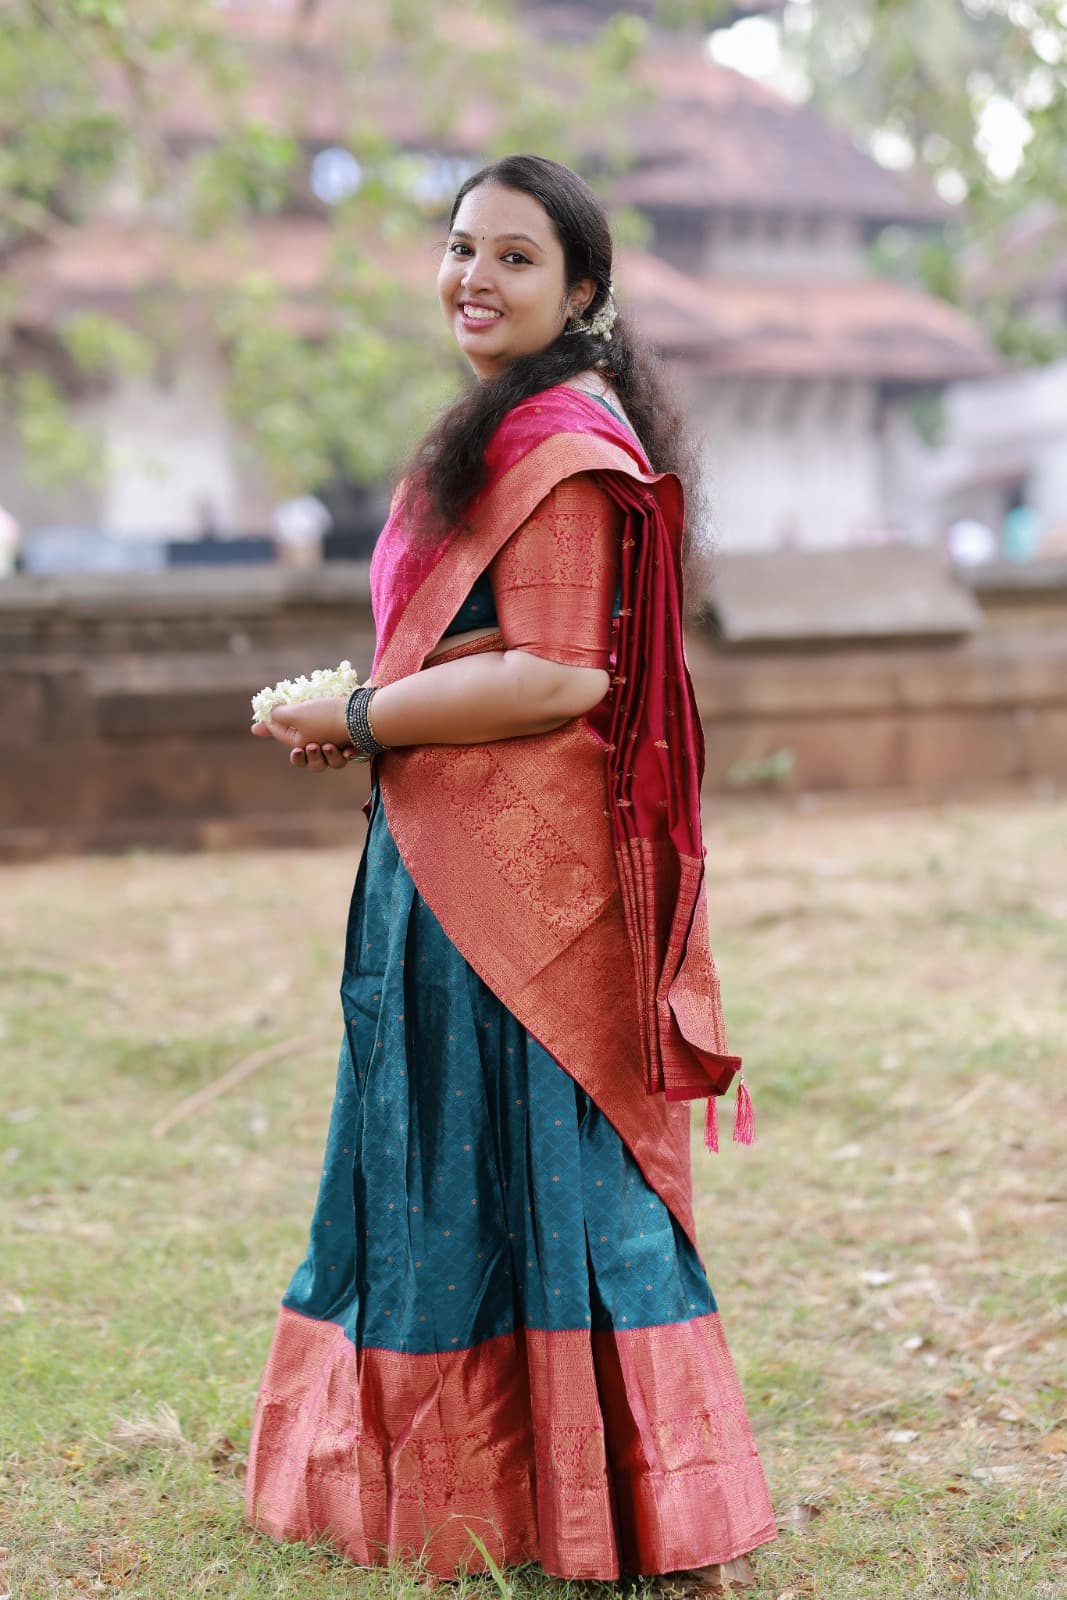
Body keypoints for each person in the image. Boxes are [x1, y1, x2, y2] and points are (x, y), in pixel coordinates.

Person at [245, 154, 776, 1588]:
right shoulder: (495, 429)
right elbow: (472, 659)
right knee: (450, 1170)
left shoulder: (566, 443)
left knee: (568, 1179)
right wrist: (372, 717)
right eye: (461, 245)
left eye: (516, 257)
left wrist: (360, 717)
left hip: (527, 894)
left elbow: (557, 677)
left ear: (581, 290)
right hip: (440, 864)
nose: (473, 275)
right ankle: (489, 1503)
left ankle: (654, 1523)